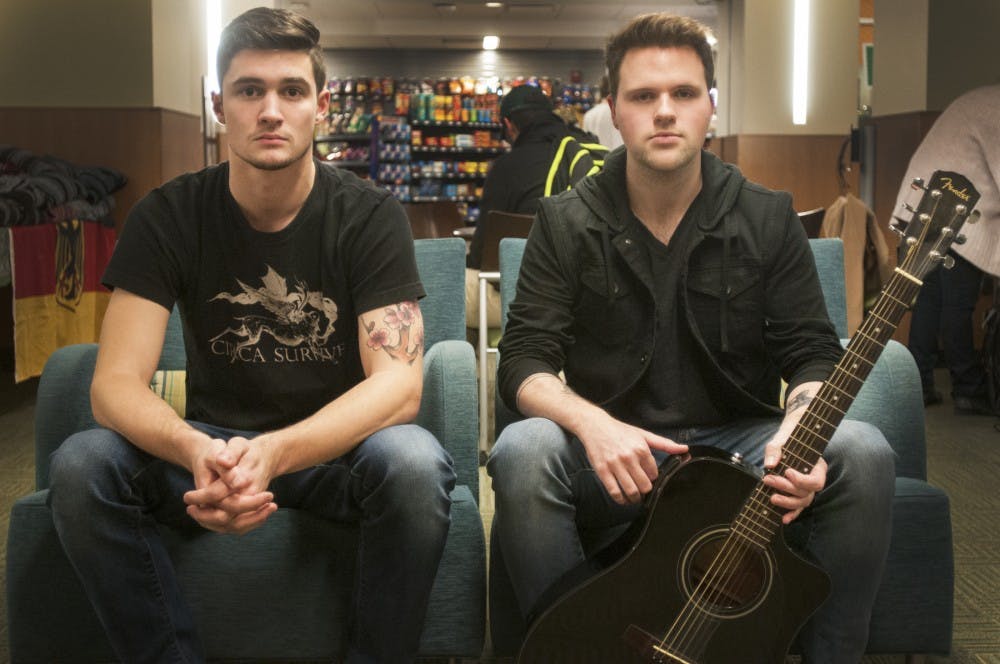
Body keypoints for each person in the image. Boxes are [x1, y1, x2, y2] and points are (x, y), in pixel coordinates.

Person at [46, 8, 455, 664]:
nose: (271, 110)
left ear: (321, 106)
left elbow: (399, 388)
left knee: (412, 461)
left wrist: (277, 452)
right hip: (211, 451)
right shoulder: (168, 213)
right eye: (249, 90)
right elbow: (113, 385)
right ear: (218, 106)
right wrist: (190, 448)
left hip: (338, 454)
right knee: (81, 466)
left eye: (291, 91)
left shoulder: (370, 215)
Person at [487, 12, 895, 663]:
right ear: (613, 113)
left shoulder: (767, 215)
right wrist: (594, 426)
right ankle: (574, 649)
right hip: (620, 454)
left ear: (710, 107)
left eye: (682, 94)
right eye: (643, 96)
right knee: (522, 449)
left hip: (743, 446)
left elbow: (813, 350)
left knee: (864, 449)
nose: (665, 111)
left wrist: (801, 422)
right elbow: (523, 362)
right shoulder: (563, 222)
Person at [893, 83, 1000, 415]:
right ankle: (967, 387)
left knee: (928, 300)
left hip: (925, 205)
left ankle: (919, 385)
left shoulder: (978, 98)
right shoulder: (995, 107)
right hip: (958, 212)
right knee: (957, 305)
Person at [464, 84, 590, 328]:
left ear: (509, 125)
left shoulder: (506, 166)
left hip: (524, 297)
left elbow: (482, 256)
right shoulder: (584, 151)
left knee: (445, 288)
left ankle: (475, 363)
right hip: (587, 297)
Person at [582, 74, 624, 150]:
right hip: (620, 159)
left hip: (596, 159)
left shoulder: (589, 115)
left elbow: (585, 144)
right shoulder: (622, 113)